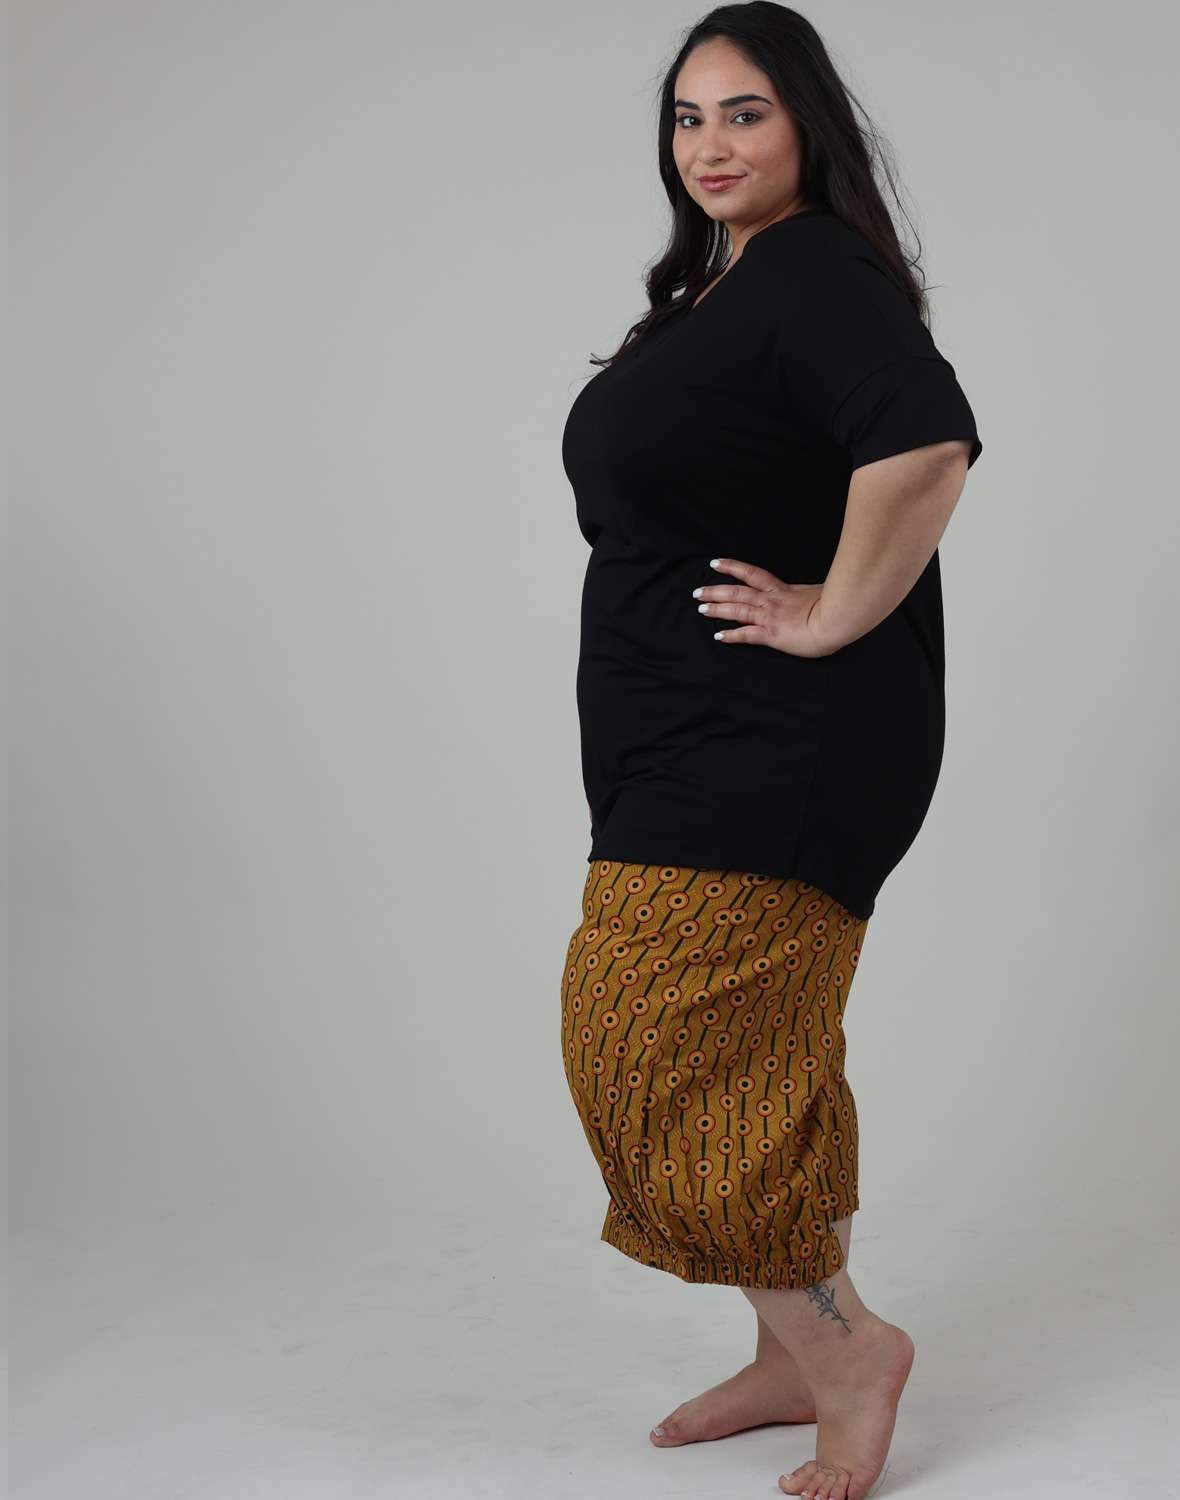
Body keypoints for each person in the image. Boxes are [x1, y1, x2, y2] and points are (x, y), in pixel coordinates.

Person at [558, 6, 982, 1500]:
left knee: (647, 1037)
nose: (710, 144)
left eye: (744, 112)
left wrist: (832, 612)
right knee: (760, 1059)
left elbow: (926, 445)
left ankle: (846, 1348)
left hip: (776, 749)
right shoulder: (727, 289)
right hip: (691, 743)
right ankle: (787, 1354)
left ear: (807, 123)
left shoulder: (813, 271)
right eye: (687, 118)